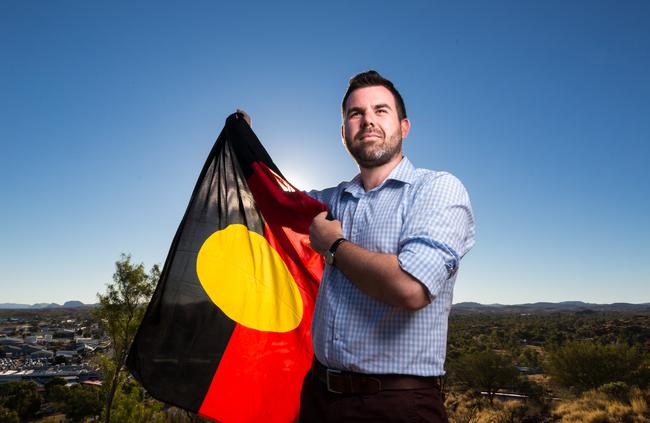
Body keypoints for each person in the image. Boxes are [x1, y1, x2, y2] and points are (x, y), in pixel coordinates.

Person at [300, 70, 476, 422]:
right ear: (343, 134)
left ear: (404, 127)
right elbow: (268, 197)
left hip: (397, 405)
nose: (368, 121)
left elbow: (410, 287)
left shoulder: (437, 189)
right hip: (318, 399)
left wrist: (333, 245)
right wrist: (242, 143)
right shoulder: (329, 201)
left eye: (381, 111)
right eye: (356, 114)